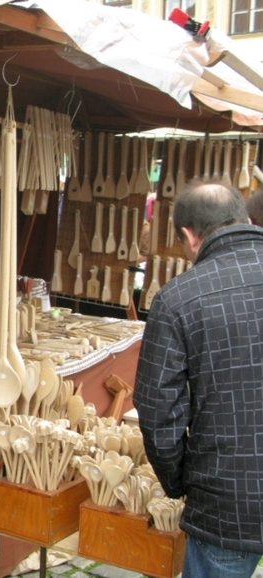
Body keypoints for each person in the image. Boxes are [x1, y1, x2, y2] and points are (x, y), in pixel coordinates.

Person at [133, 180, 263, 578]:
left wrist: (180, 483)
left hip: (227, 501)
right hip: (230, 497)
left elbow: (158, 412)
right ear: (245, 220)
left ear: (189, 236)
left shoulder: (177, 299)